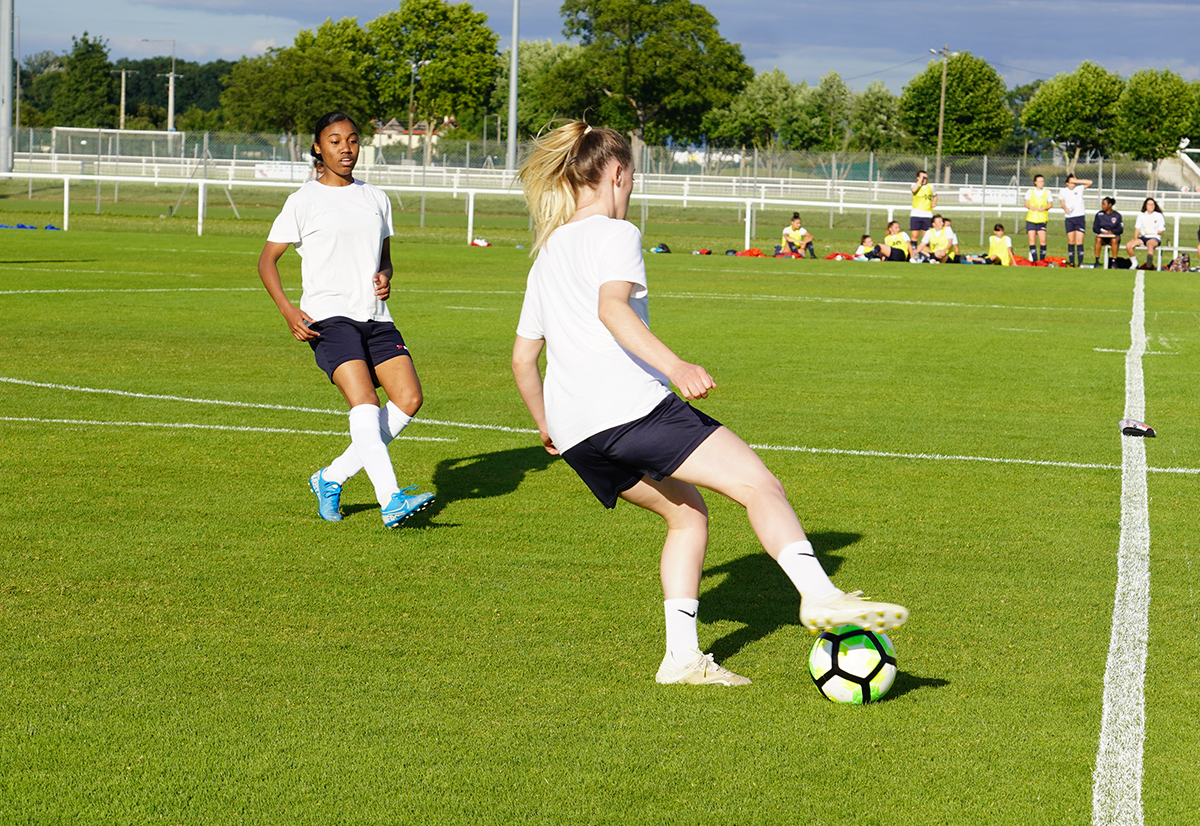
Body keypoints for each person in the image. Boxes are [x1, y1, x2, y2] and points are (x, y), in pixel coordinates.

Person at [511, 121, 908, 686]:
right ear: (617, 173)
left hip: (578, 435)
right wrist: (676, 367)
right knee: (760, 485)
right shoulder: (615, 233)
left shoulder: (547, 252)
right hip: (630, 411)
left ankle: (681, 659)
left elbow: (523, 360)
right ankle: (820, 594)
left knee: (686, 514)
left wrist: (548, 426)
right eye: (633, 177)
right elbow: (612, 309)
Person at [257, 110, 435, 528]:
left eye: (352, 140)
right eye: (335, 141)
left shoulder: (376, 198)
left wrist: (385, 276)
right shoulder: (303, 201)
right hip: (329, 319)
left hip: (376, 318)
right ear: (318, 148)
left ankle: (331, 477)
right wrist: (288, 310)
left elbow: (385, 258)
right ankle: (391, 499)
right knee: (366, 403)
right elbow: (267, 261)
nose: (346, 149)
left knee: (409, 399)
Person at [1059, 172, 1093, 267]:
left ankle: (1080, 263)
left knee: (1079, 241)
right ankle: (1072, 263)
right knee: (1071, 240)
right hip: (1069, 218)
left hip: (1079, 217)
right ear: (1067, 183)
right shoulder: (1063, 191)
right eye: (1071, 182)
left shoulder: (1079, 188)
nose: (1073, 184)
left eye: (1074, 183)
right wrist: (1065, 209)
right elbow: (1062, 203)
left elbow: (1090, 182)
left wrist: (1077, 181)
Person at [1125, 197, 1165, 270]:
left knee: (1150, 244)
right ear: (1145, 206)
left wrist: (1152, 231)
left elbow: (1161, 231)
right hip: (1143, 237)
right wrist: (1136, 239)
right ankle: (1134, 263)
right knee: (1129, 245)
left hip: (1154, 237)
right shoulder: (1141, 215)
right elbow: (1137, 228)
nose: (1151, 206)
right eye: (1149, 204)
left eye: (1153, 204)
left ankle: (1149, 264)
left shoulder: (1158, 215)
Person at [1024, 174, 1052, 261]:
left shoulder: (1047, 192)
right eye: (1039, 181)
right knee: (1032, 240)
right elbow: (1026, 204)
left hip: (1041, 219)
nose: (1042, 183)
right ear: (1035, 182)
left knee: (1043, 240)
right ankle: (1035, 260)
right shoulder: (1030, 191)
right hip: (1031, 219)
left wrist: (1044, 208)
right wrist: (1031, 207)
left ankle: (1042, 260)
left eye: (1042, 181)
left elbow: (1050, 204)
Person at [1092, 197, 1123, 267]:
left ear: (1109, 205)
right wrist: (1101, 232)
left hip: (1113, 237)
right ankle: (1097, 261)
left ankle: (1114, 262)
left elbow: (1120, 229)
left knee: (1114, 240)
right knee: (1098, 239)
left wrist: (1112, 232)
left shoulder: (1117, 215)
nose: (1102, 206)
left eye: (1104, 204)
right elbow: (1095, 228)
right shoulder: (1099, 215)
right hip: (1102, 237)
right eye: (1102, 204)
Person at [910, 170, 937, 248]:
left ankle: (925, 252)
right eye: (922, 177)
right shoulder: (914, 185)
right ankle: (913, 252)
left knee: (926, 237)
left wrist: (934, 202)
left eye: (926, 178)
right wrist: (920, 181)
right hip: (916, 214)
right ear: (918, 178)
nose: (924, 179)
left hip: (927, 215)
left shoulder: (930, 186)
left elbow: (935, 195)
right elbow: (913, 190)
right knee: (914, 236)